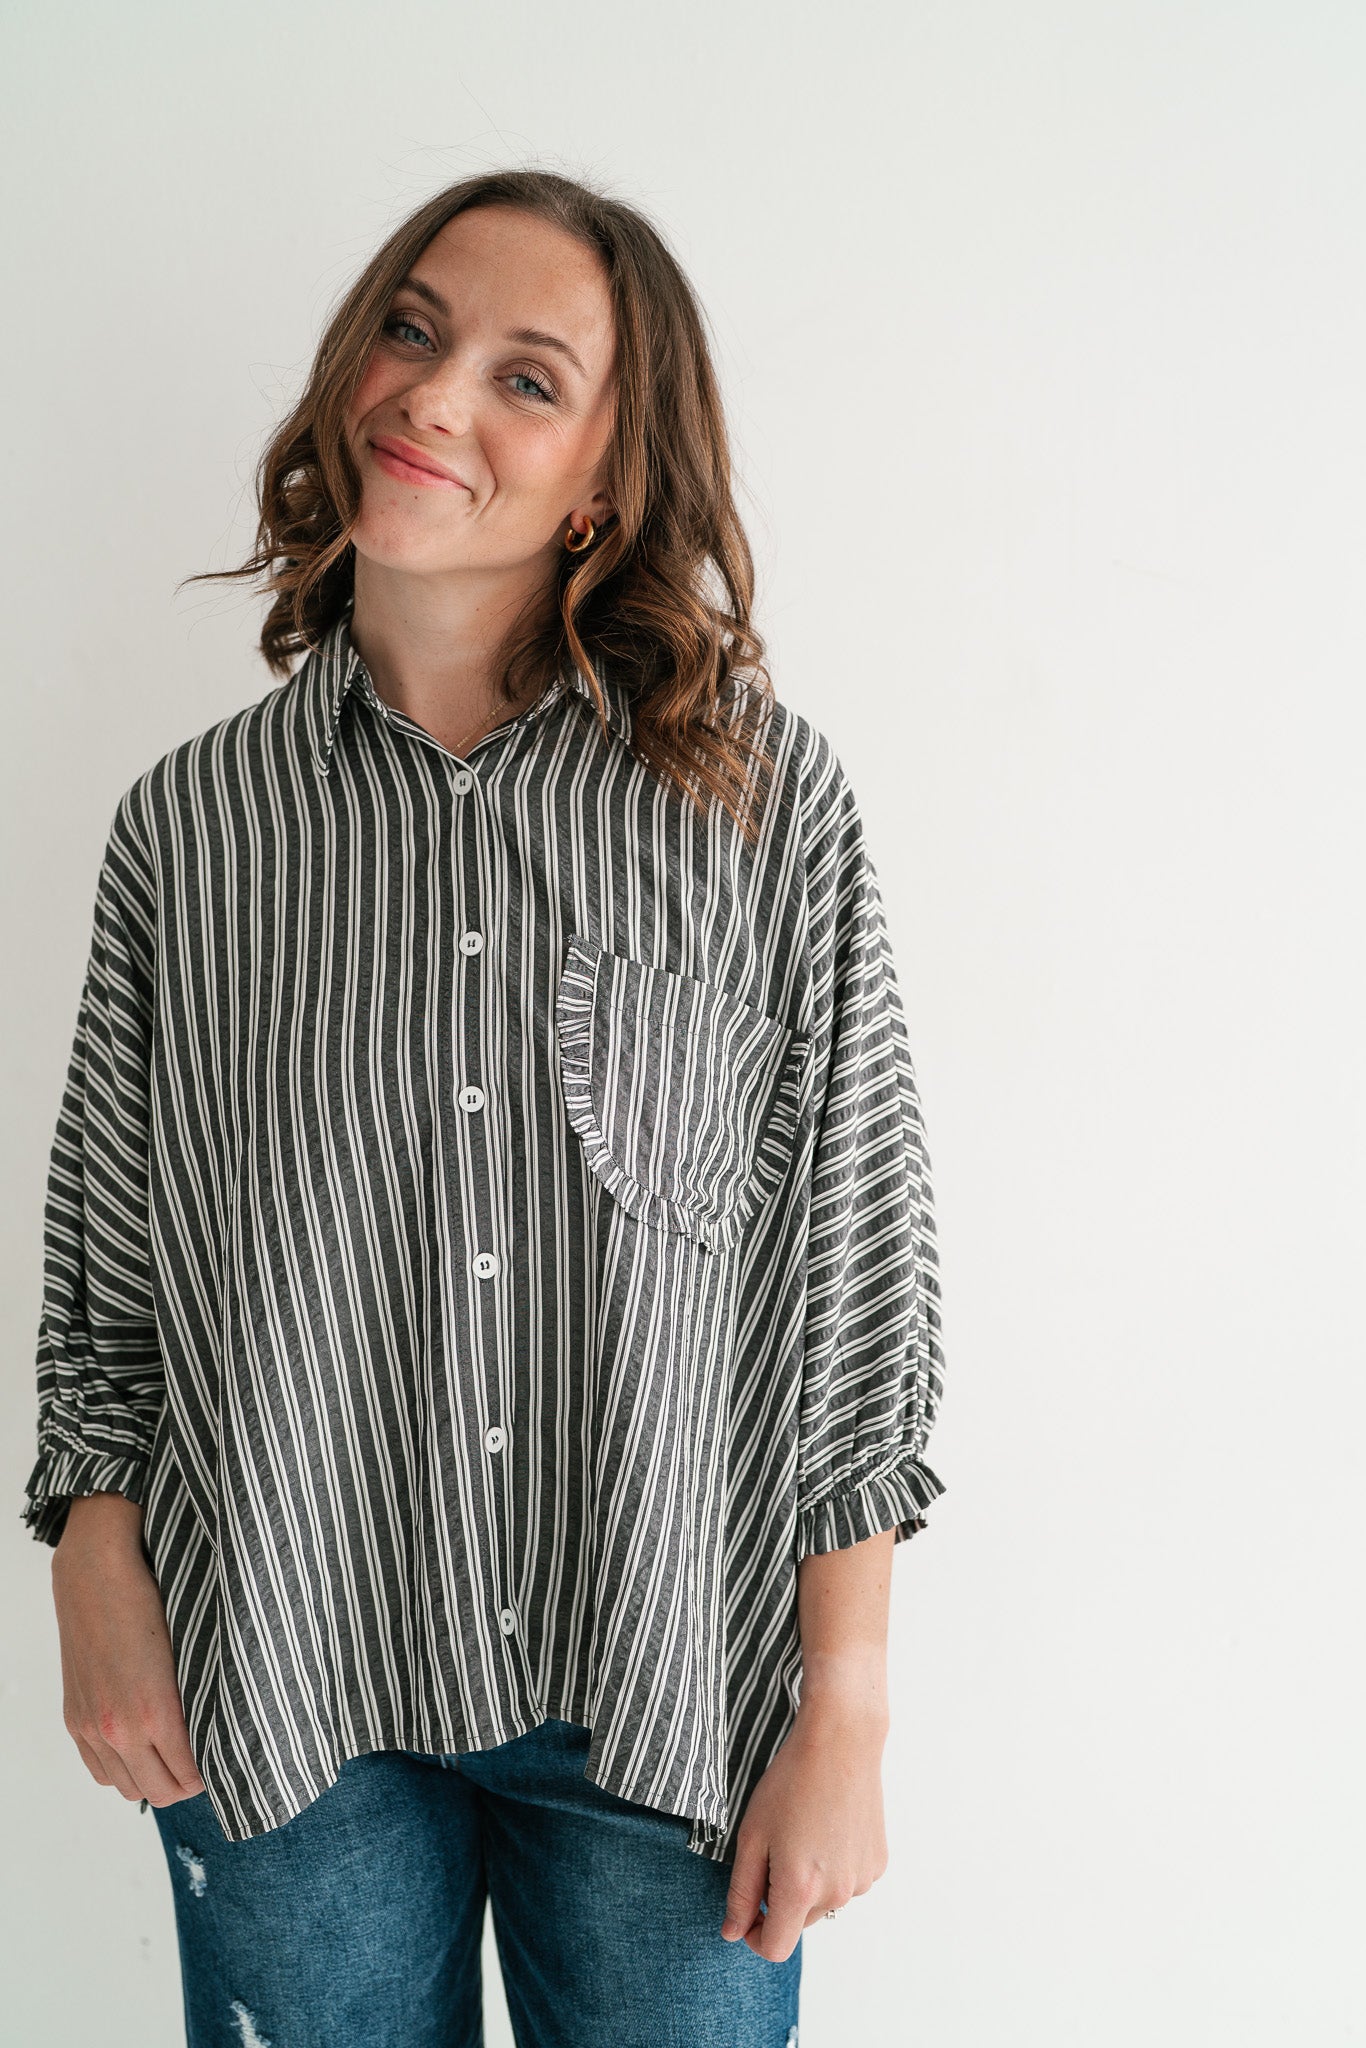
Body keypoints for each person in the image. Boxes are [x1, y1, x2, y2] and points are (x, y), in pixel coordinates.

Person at [21, 167, 948, 2047]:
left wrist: (846, 1710)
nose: (433, 397)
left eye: (529, 378)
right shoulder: (192, 831)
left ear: (606, 476)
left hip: (668, 1696)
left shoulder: (759, 810)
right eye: (412, 329)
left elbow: (851, 1279)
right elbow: (108, 1259)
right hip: (277, 1679)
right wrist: (93, 1566)